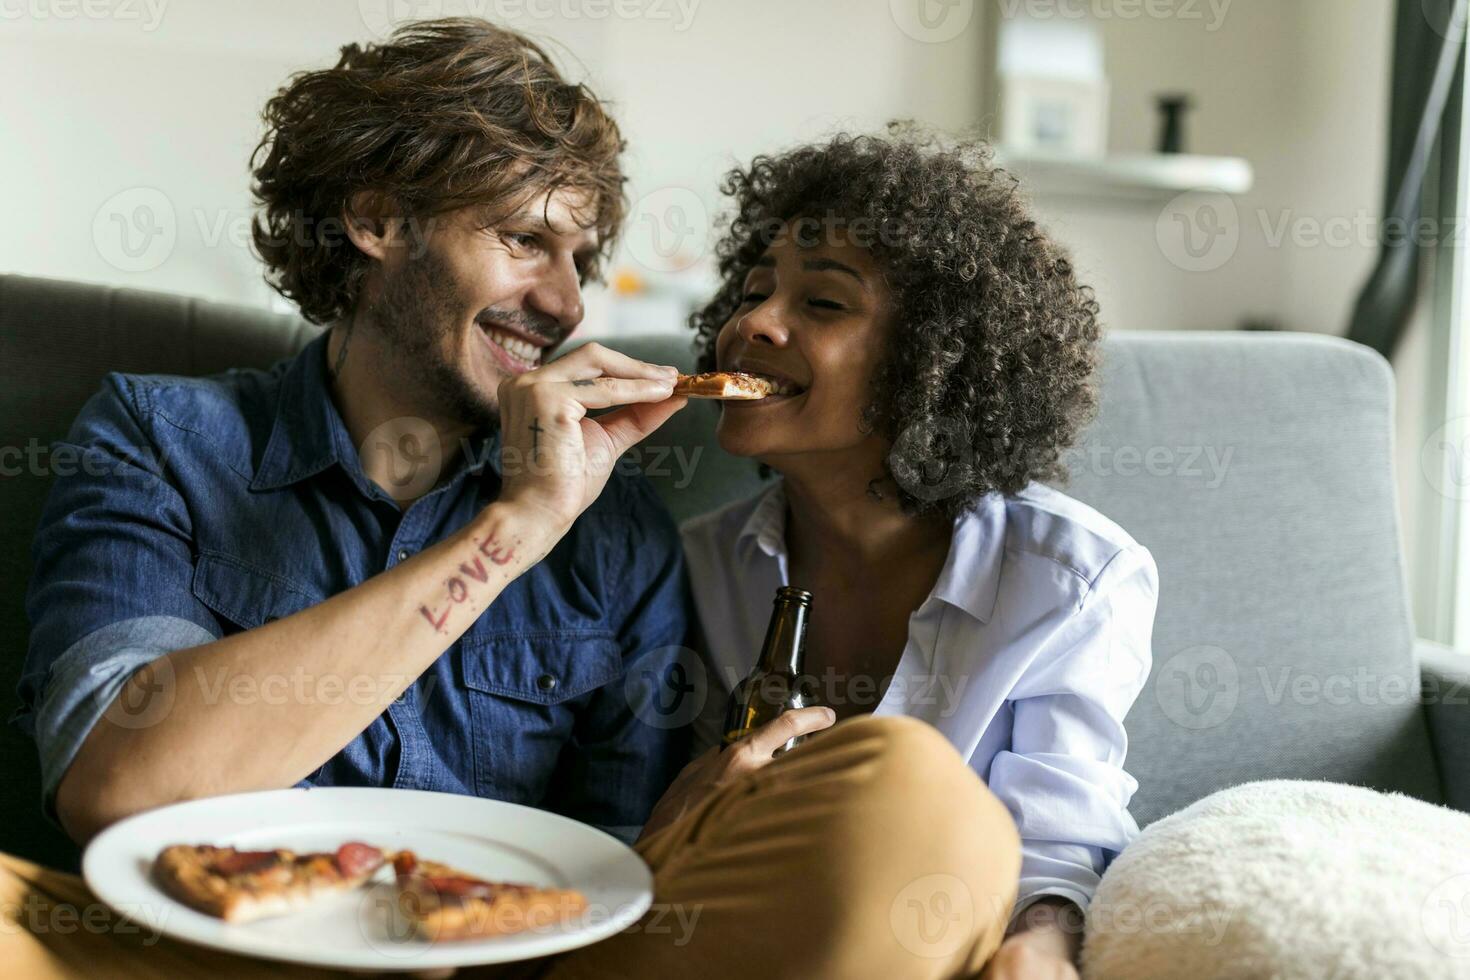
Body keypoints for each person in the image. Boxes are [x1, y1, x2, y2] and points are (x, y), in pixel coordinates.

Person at [3, 20, 1027, 980]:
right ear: (374, 220)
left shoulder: (619, 531)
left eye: (581, 259)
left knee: (917, 796)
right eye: (526, 241)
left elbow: (628, 876)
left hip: (512, 963)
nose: (567, 302)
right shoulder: (160, 438)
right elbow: (118, 785)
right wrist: (513, 526)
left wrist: (693, 816)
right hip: (182, 955)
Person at [678, 129, 1160, 978]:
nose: (750, 324)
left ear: (931, 363)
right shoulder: (695, 565)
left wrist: (1040, 945)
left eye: (822, 304)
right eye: (753, 293)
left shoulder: (1072, 581)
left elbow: (1057, 846)